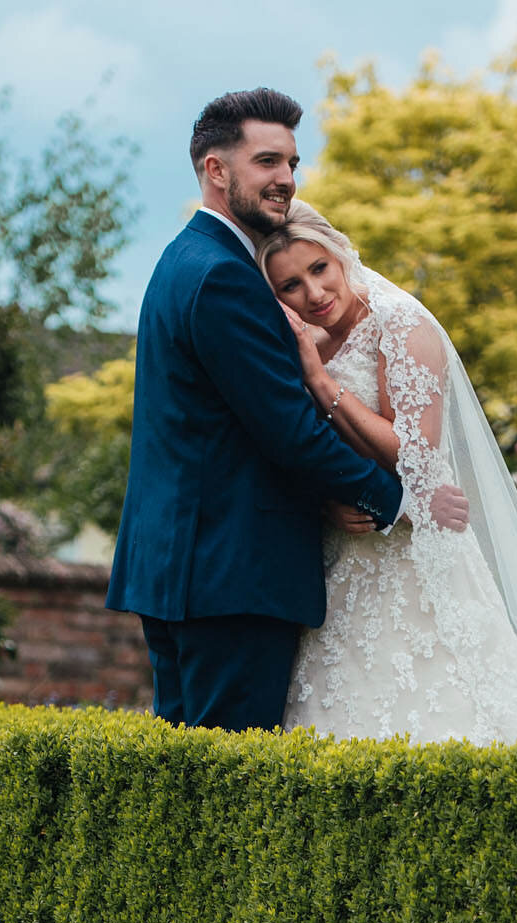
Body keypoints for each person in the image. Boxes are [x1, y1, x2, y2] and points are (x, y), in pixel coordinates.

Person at [106, 90, 468, 732]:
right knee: (229, 788)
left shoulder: (181, 260)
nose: (286, 180)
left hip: (183, 568)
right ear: (216, 170)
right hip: (230, 574)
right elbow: (288, 431)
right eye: (267, 161)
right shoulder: (222, 275)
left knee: (185, 783)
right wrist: (399, 499)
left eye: (293, 163)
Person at [262, 203, 517, 744]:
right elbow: (309, 453)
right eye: (290, 286)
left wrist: (319, 381)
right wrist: (328, 503)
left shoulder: (401, 323)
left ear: (342, 254)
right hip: (345, 561)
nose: (313, 293)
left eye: (319, 268)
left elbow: (413, 457)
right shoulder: (314, 344)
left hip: (418, 557)